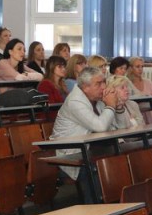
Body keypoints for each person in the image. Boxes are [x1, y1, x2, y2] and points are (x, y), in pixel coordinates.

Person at [50, 67, 132, 200]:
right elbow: (100, 126)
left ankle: (121, 202)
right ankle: (97, 207)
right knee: (97, 167)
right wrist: (110, 105)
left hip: (94, 150)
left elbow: (124, 127)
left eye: (104, 82)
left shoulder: (98, 99)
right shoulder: (75, 102)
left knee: (126, 158)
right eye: (98, 84)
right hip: (72, 155)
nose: (104, 87)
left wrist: (118, 106)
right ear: (85, 87)